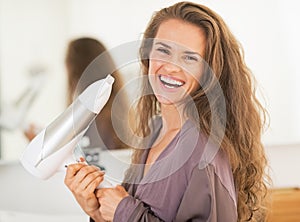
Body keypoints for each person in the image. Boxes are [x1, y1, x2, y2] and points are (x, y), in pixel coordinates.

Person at [64, 2, 270, 222]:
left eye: (189, 58)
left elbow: (126, 214)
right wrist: (97, 213)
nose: (171, 67)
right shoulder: (155, 130)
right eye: (163, 50)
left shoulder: (204, 153)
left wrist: (124, 212)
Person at [24, 37, 131, 152]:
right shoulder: (117, 113)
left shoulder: (91, 117)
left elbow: (82, 160)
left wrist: (42, 147)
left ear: (75, 69)